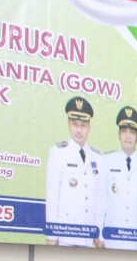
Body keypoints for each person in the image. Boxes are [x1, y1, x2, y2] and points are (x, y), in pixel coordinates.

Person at [44, 96, 103, 247]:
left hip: (89, 237)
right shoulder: (58, 152)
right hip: (65, 236)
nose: (78, 130)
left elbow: (100, 199)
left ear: (89, 127)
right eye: (75, 124)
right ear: (68, 124)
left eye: (83, 125)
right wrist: (52, 235)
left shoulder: (97, 157)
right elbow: (52, 197)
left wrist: (99, 233)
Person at [100, 106, 137, 251]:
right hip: (111, 237)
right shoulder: (107, 161)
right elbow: (101, 200)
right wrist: (99, 235)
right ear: (119, 134)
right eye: (124, 131)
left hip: (136, 238)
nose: (128, 136)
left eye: (132, 132)